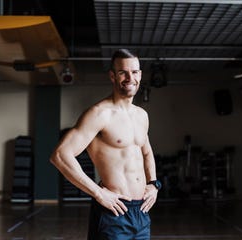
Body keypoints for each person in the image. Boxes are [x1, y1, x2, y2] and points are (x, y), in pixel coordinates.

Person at [50, 48, 161, 240]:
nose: (129, 77)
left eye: (134, 72)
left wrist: (153, 184)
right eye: (122, 72)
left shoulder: (141, 116)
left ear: (140, 75)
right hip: (114, 211)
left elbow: (146, 153)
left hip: (141, 212)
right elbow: (60, 155)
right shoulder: (99, 114)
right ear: (112, 76)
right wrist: (98, 193)